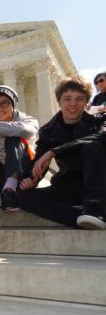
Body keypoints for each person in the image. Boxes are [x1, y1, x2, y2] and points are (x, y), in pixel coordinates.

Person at [17, 76, 106, 230]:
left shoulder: (99, 121)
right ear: (59, 102)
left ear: (87, 103)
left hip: (99, 185)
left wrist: (55, 151)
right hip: (69, 185)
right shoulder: (47, 131)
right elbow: (39, 162)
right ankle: (81, 220)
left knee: (92, 146)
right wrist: (30, 179)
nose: (73, 104)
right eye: (67, 99)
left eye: (79, 99)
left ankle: (96, 210)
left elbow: (100, 136)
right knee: (22, 197)